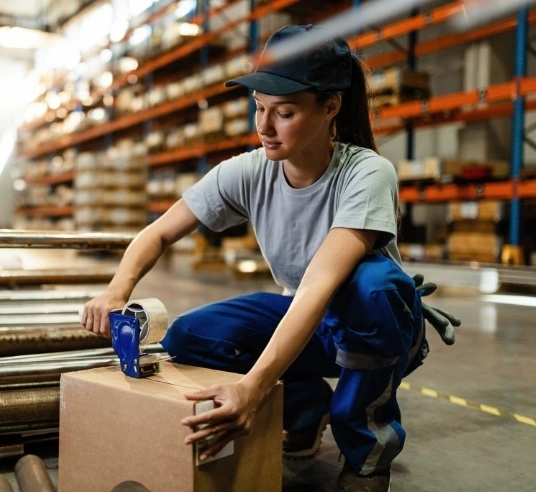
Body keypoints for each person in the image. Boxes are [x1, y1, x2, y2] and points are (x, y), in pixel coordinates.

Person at [82, 24, 459, 492]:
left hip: (372, 323)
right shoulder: (250, 170)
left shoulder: (367, 173)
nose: (263, 127)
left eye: (283, 113)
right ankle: (304, 409)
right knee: (189, 336)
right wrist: (118, 289)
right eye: (258, 109)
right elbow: (158, 233)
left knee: (372, 285)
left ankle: (366, 453)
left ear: (330, 107)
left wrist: (254, 388)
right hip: (307, 315)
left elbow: (322, 283)